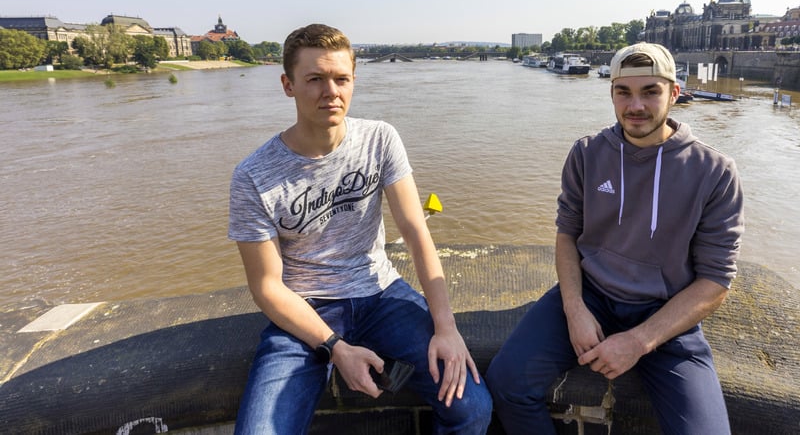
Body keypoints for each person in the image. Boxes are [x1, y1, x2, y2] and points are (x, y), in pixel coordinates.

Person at [228, 23, 492, 435]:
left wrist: (446, 327)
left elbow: (416, 232)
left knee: (471, 408)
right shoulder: (253, 176)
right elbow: (267, 287)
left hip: (381, 294)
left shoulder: (379, 140)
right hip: (307, 308)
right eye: (314, 79)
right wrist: (335, 347)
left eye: (341, 78)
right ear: (288, 85)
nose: (330, 91)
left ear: (353, 82)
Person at [486, 42, 744, 434]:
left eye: (650, 92)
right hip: (591, 296)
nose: (635, 106)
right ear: (611, 93)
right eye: (623, 92)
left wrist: (639, 341)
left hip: (665, 314)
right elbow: (568, 234)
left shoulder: (715, 172)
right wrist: (575, 310)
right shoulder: (587, 153)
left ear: (674, 93)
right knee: (506, 384)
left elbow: (715, 281)